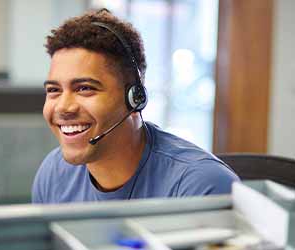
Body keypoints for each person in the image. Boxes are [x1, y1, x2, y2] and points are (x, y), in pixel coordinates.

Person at [32, 9, 239, 203]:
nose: (63, 107)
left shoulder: (200, 187)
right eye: (54, 90)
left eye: (85, 88)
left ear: (135, 97)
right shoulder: (53, 174)